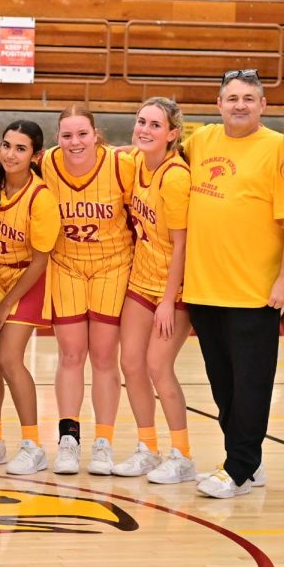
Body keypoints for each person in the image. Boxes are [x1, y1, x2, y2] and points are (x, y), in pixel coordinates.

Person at [185, 69, 284, 499]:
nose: (239, 105)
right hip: (202, 287)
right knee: (223, 386)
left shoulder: (278, 149)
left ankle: (237, 467)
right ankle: (248, 463)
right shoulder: (201, 141)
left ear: (262, 106)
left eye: (248, 98)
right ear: (218, 105)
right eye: (232, 98)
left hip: (255, 290)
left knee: (252, 383)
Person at [42, 105, 135, 476]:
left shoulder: (120, 165)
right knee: (69, 355)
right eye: (67, 135)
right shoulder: (47, 163)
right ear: (57, 138)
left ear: (95, 134)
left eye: (82, 134)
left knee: (102, 357)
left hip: (112, 265)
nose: (75, 142)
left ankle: (104, 442)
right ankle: (68, 439)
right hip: (66, 264)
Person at [0, 120, 58, 475]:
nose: (10, 154)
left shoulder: (41, 197)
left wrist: (5, 304)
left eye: (20, 148)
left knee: (8, 357)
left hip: (26, 278)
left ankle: (33, 445)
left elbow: (40, 259)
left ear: (35, 155)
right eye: (6, 145)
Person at [115, 98, 196, 483]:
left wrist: (168, 300)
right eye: (140, 121)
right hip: (139, 281)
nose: (145, 130)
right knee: (130, 364)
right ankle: (148, 447)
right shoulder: (134, 162)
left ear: (173, 134)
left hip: (173, 290)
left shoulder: (175, 176)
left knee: (157, 366)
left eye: (155, 125)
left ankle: (182, 455)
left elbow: (182, 244)